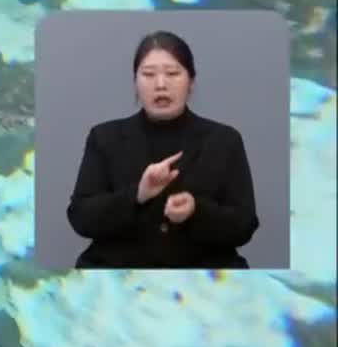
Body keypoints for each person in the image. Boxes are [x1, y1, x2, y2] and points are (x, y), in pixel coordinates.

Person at [66, 30, 260, 269]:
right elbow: (81, 218)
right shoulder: (104, 137)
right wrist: (138, 194)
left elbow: (244, 225)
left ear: (191, 81)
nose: (160, 84)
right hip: (120, 279)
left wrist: (196, 211)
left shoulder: (224, 140)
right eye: (148, 74)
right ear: (135, 82)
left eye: (172, 73)